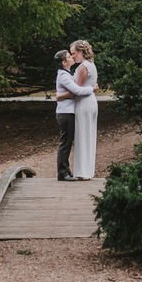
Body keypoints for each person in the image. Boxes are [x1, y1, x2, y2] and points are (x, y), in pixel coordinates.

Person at [54, 49, 94, 181]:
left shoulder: (67, 73)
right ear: (64, 62)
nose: (72, 57)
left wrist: (60, 96)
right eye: (68, 56)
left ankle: (66, 170)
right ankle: (62, 173)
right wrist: (92, 88)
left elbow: (72, 91)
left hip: (68, 112)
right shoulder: (64, 76)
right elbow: (76, 90)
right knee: (65, 143)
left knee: (67, 142)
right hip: (65, 113)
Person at [69, 39, 98, 180]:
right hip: (91, 101)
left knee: (82, 136)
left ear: (80, 52)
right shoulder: (92, 65)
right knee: (89, 135)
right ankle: (87, 171)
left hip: (84, 103)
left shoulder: (82, 67)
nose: (72, 56)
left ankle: (82, 172)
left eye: (73, 53)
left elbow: (77, 89)